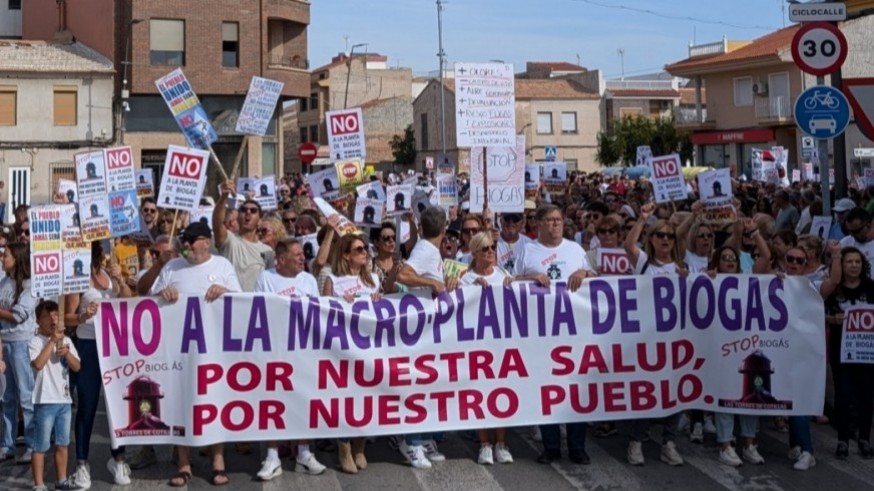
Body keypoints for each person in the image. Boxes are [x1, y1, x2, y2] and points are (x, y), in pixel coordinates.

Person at [150, 221, 241, 487]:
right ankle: (184, 463)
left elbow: (242, 302)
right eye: (185, 241)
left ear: (207, 242)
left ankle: (218, 461)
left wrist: (225, 292)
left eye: (192, 240)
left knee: (213, 403)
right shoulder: (171, 267)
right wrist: (161, 293)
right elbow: (149, 301)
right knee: (180, 403)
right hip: (178, 352)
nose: (187, 246)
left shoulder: (222, 266)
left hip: (213, 351)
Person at [513, 204, 595, 465]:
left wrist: (584, 272)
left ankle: (577, 446)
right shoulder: (527, 250)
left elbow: (597, 279)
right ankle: (550, 445)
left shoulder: (575, 249)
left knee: (575, 389)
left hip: (574, 332)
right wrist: (530, 278)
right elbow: (511, 283)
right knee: (545, 389)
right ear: (538, 224)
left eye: (559, 219)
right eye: (549, 220)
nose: (555, 224)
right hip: (540, 333)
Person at [253, 239, 326, 480]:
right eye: (296, 255)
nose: (301, 258)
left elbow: (317, 313)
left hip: (303, 350)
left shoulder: (307, 280)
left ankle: (304, 453)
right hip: (275, 350)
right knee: (273, 402)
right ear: (280, 259)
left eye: (302, 254)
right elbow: (259, 313)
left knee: (303, 399)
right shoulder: (266, 278)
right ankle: (272, 455)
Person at [66, 241, 133, 489]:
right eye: (99, 251)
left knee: (118, 405)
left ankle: (119, 458)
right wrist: (84, 316)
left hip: (114, 347)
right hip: (88, 347)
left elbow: (127, 301)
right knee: (87, 405)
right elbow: (67, 316)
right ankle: (82, 464)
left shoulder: (108, 274)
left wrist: (121, 281)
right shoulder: (77, 278)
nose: (102, 255)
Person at [624, 202, 686, 466]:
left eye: (669, 236)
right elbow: (628, 245)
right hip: (648, 340)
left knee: (677, 391)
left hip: (675, 340)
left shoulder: (682, 269)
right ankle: (636, 441)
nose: (665, 240)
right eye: (659, 235)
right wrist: (642, 219)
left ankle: (668, 442)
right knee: (648, 392)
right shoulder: (644, 263)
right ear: (652, 239)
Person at [396, 206, 452, 468]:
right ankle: (412, 442)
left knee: (431, 386)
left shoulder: (428, 249)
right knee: (419, 385)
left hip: (430, 327)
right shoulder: (426, 250)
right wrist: (433, 284)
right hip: (419, 327)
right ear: (444, 229)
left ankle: (426, 438)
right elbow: (403, 274)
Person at [321, 234, 380, 474]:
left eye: (365, 249)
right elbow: (322, 314)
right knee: (345, 399)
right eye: (358, 250)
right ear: (346, 254)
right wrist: (339, 303)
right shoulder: (333, 280)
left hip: (370, 348)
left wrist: (379, 300)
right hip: (342, 351)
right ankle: (343, 447)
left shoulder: (373, 279)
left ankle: (359, 446)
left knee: (367, 398)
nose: (364, 253)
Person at [458, 232, 514, 465]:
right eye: (485, 249)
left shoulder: (503, 275)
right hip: (476, 346)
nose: (490, 252)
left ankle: (501, 443)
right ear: (474, 252)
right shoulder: (465, 279)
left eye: (492, 247)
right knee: (480, 394)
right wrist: (472, 289)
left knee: (501, 393)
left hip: (501, 345)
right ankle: (484, 444)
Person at [823, 245, 874, 460]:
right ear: (841, 265)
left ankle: (864, 438)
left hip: (867, 351)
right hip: (841, 350)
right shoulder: (834, 289)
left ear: (863, 266)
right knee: (843, 395)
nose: (853, 266)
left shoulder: (871, 288)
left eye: (857, 262)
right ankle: (842, 440)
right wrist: (831, 320)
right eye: (849, 262)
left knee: (866, 395)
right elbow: (818, 312)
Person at [29, 300, 81, 491]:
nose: (52, 319)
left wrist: (67, 353)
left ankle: (61, 481)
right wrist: (51, 341)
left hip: (64, 401)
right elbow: (37, 364)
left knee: (63, 443)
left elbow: (77, 366)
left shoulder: (66, 340)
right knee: (40, 445)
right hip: (44, 401)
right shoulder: (35, 341)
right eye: (47, 316)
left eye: (55, 315)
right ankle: (39, 484)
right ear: (38, 321)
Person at [0, 243, 37, 463]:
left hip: (22, 343)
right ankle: (7, 444)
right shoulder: (4, 282)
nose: (3, 258)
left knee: (26, 395)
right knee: (7, 397)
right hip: (5, 343)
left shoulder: (30, 285)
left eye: (6, 255)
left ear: (18, 258)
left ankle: (33, 444)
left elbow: (19, 315)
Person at [213, 180, 273, 291]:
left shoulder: (267, 251)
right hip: (230, 304)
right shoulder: (230, 240)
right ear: (238, 217)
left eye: (253, 210)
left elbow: (271, 284)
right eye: (243, 210)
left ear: (260, 221)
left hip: (254, 306)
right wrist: (223, 198)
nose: (248, 212)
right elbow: (217, 225)